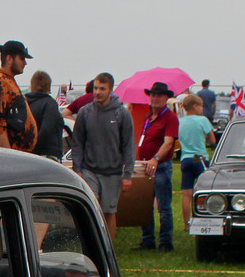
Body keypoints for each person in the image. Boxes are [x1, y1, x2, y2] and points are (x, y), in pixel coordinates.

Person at [71, 72, 135, 241]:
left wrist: (128, 174)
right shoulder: (85, 112)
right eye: (96, 88)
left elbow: (128, 145)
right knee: (91, 208)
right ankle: (92, 245)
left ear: (110, 90)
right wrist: (77, 168)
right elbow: (77, 142)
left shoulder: (122, 113)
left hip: (113, 172)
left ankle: (108, 248)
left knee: (109, 211)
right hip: (89, 170)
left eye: (102, 88)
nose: (98, 92)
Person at [137, 81, 179, 251]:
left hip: (160, 167)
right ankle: (147, 240)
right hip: (145, 167)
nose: (155, 98)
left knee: (164, 206)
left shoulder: (170, 117)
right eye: (153, 95)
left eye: (159, 95)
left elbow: (169, 143)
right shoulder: (149, 117)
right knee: (145, 206)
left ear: (166, 98)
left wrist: (155, 159)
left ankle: (165, 242)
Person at [0, 40, 37, 151]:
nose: (25, 63)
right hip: (4, 156)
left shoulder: (7, 80)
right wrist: (9, 154)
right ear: (9, 59)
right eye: (21, 58)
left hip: (13, 154)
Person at [178, 93, 216, 231]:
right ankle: (205, 221)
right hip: (200, 158)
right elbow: (212, 139)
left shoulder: (180, 121)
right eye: (201, 106)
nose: (202, 109)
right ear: (195, 106)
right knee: (205, 191)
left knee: (187, 194)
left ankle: (187, 224)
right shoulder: (202, 120)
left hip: (185, 158)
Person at [26, 71, 63, 160]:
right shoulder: (50, 104)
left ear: (32, 85)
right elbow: (46, 130)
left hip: (26, 155)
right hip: (47, 155)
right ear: (48, 86)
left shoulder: (24, 103)